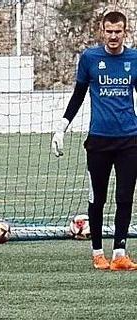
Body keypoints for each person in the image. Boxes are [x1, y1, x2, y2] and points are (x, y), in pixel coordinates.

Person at [52, 10, 137, 271]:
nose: (113, 36)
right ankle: (98, 252)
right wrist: (61, 128)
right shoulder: (89, 58)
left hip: (130, 141)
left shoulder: (134, 59)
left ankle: (120, 253)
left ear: (125, 32)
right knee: (96, 198)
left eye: (118, 31)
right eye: (109, 31)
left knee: (124, 197)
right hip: (98, 141)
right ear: (103, 31)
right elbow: (78, 96)